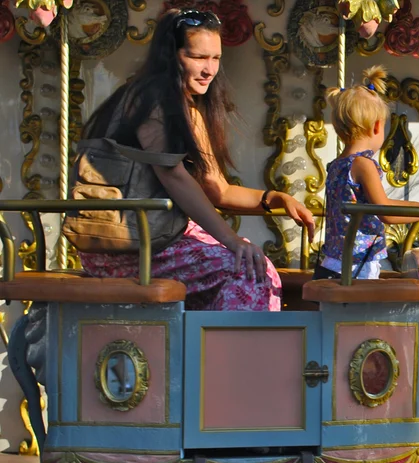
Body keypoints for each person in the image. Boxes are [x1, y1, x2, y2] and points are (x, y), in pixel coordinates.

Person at [77, 8, 315, 311]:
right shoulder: (149, 99)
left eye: (215, 58)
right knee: (251, 271)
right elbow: (172, 175)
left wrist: (275, 198)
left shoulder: (189, 108)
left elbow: (218, 189)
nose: (209, 69)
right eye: (198, 57)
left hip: (155, 236)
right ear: (171, 55)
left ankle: (203, 349)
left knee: (255, 265)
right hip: (127, 245)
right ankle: (227, 358)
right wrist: (232, 240)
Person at [314, 65, 419, 280]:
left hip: (334, 260)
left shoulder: (336, 165)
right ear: (377, 127)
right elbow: (386, 211)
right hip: (356, 264)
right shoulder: (362, 165)